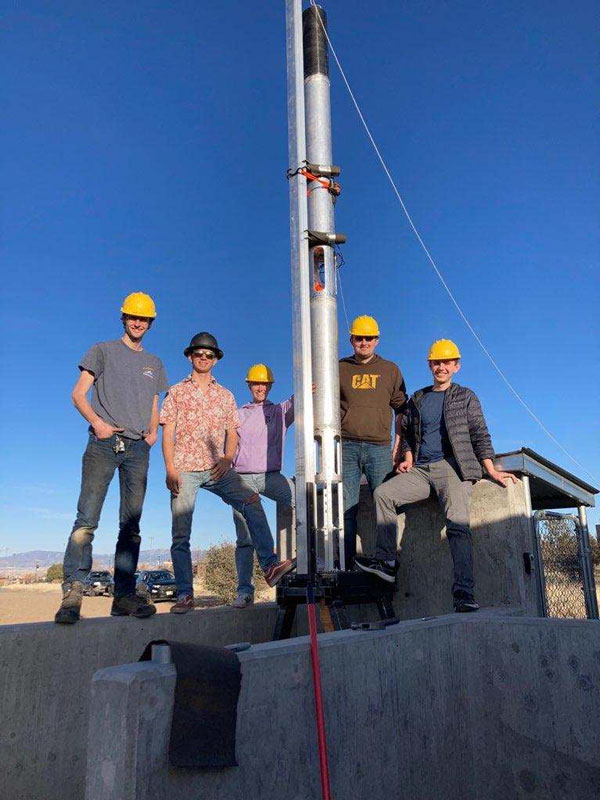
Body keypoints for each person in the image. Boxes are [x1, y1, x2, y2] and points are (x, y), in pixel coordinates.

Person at [355, 339, 517, 611]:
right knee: (383, 493)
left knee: (457, 524)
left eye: (446, 362)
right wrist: (407, 456)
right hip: (421, 470)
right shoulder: (417, 398)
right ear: (430, 365)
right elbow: (406, 433)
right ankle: (387, 561)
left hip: (453, 469)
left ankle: (464, 593)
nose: (440, 367)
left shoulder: (465, 396)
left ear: (456, 366)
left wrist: (491, 470)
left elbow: (479, 434)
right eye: (436, 362)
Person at [160, 334, 295, 613]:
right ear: (190, 356)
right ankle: (185, 595)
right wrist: (170, 467)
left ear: (216, 359)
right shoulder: (176, 391)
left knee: (251, 501)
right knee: (181, 534)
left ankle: (269, 566)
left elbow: (231, 434)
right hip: (184, 468)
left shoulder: (225, 396)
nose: (204, 358)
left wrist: (227, 457)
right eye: (199, 354)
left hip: (217, 469)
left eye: (209, 355)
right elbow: (168, 430)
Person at [55, 292, 168, 624]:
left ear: (150, 323)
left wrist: (152, 434)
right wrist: (98, 424)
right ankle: (74, 591)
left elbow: (153, 403)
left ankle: (123, 597)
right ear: (123, 318)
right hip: (104, 444)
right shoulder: (102, 350)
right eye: (133, 317)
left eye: (144, 318)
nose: (138, 322)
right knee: (87, 520)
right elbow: (78, 394)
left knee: (131, 526)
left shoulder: (155, 364)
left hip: (138, 449)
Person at [339, 315, 407, 568]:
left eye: (369, 338)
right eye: (359, 338)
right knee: (346, 509)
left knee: (386, 504)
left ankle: (387, 561)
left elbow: (401, 410)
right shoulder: (338, 368)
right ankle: (345, 563)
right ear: (352, 340)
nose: (364, 342)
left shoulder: (390, 370)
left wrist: (398, 447)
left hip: (380, 448)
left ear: (377, 340)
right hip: (346, 447)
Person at [230, 364, 295, 609]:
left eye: (264, 384)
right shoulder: (239, 414)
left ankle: (316, 560)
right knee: (245, 537)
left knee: (302, 499)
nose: (260, 388)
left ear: (270, 386)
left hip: (271, 476)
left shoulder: (280, 411)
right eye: (256, 384)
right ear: (249, 385)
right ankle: (245, 592)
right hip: (242, 480)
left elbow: (303, 396)